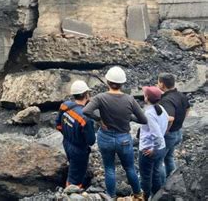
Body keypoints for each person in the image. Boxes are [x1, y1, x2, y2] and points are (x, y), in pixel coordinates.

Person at [83, 66, 147, 200]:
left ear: (107, 82)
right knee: (129, 168)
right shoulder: (129, 99)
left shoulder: (100, 98)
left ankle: (111, 197)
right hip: (123, 138)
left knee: (109, 169)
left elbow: (86, 111)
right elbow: (143, 119)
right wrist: (129, 117)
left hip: (105, 137)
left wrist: (99, 120)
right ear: (122, 83)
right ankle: (138, 195)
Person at [56, 80, 96, 189]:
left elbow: (58, 125)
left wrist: (69, 134)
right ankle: (70, 193)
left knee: (73, 167)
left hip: (66, 143)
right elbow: (91, 141)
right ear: (86, 94)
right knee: (75, 179)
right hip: (79, 151)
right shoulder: (85, 118)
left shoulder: (65, 106)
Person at [157, 73, 190, 181]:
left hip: (169, 135)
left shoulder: (166, 100)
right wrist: (180, 122)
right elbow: (187, 109)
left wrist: (164, 132)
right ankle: (173, 182)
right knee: (169, 157)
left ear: (162, 84)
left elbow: (169, 118)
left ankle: (161, 188)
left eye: (158, 82)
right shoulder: (181, 95)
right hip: (178, 133)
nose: (157, 84)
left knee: (158, 163)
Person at [139, 86, 168, 200]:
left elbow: (157, 135)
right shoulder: (161, 108)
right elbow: (164, 127)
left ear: (146, 98)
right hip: (162, 148)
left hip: (149, 149)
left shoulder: (149, 114)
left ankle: (145, 197)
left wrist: (153, 149)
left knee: (145, 176)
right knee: (156, 173)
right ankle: (157, 196)